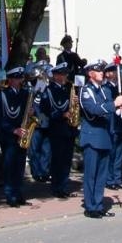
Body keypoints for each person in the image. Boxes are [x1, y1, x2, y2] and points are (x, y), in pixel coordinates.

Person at [78, 60, 122, 217]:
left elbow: (107, 109)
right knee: (91, 174)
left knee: (101, 175)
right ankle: (91, 207)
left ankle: (98, 205)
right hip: (92, 137)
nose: (102, 73)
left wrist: (117, 109)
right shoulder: (86, 90)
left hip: (104, 136)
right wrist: (113, 105)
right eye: (98, 71)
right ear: (90, 73)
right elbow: (92, 111)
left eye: (102, 71)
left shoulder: (104, 91)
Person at [37, 64, 76, 198]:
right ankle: (56, 187)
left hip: (70, 129)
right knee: (57, 159)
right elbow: (44, 111)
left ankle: (64, 186)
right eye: (62, 74)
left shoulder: (69, 88)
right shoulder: (49, 90)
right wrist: (61, 115)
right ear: (55, 76)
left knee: (66, 159)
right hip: (56, 129)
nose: (65, 76)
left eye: (65, 74)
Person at [0, 64, 31, 207]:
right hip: (9, 135)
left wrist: (31, 114)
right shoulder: (2, 94)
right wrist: (13, 130)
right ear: (9, 80)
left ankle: (19, 193)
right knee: (10, 166)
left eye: (20, 78)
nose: (19, 81)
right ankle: (10, 195)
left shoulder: (25, 93)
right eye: (16, 78)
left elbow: (25, 111)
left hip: (22, 133)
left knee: (20, 165)